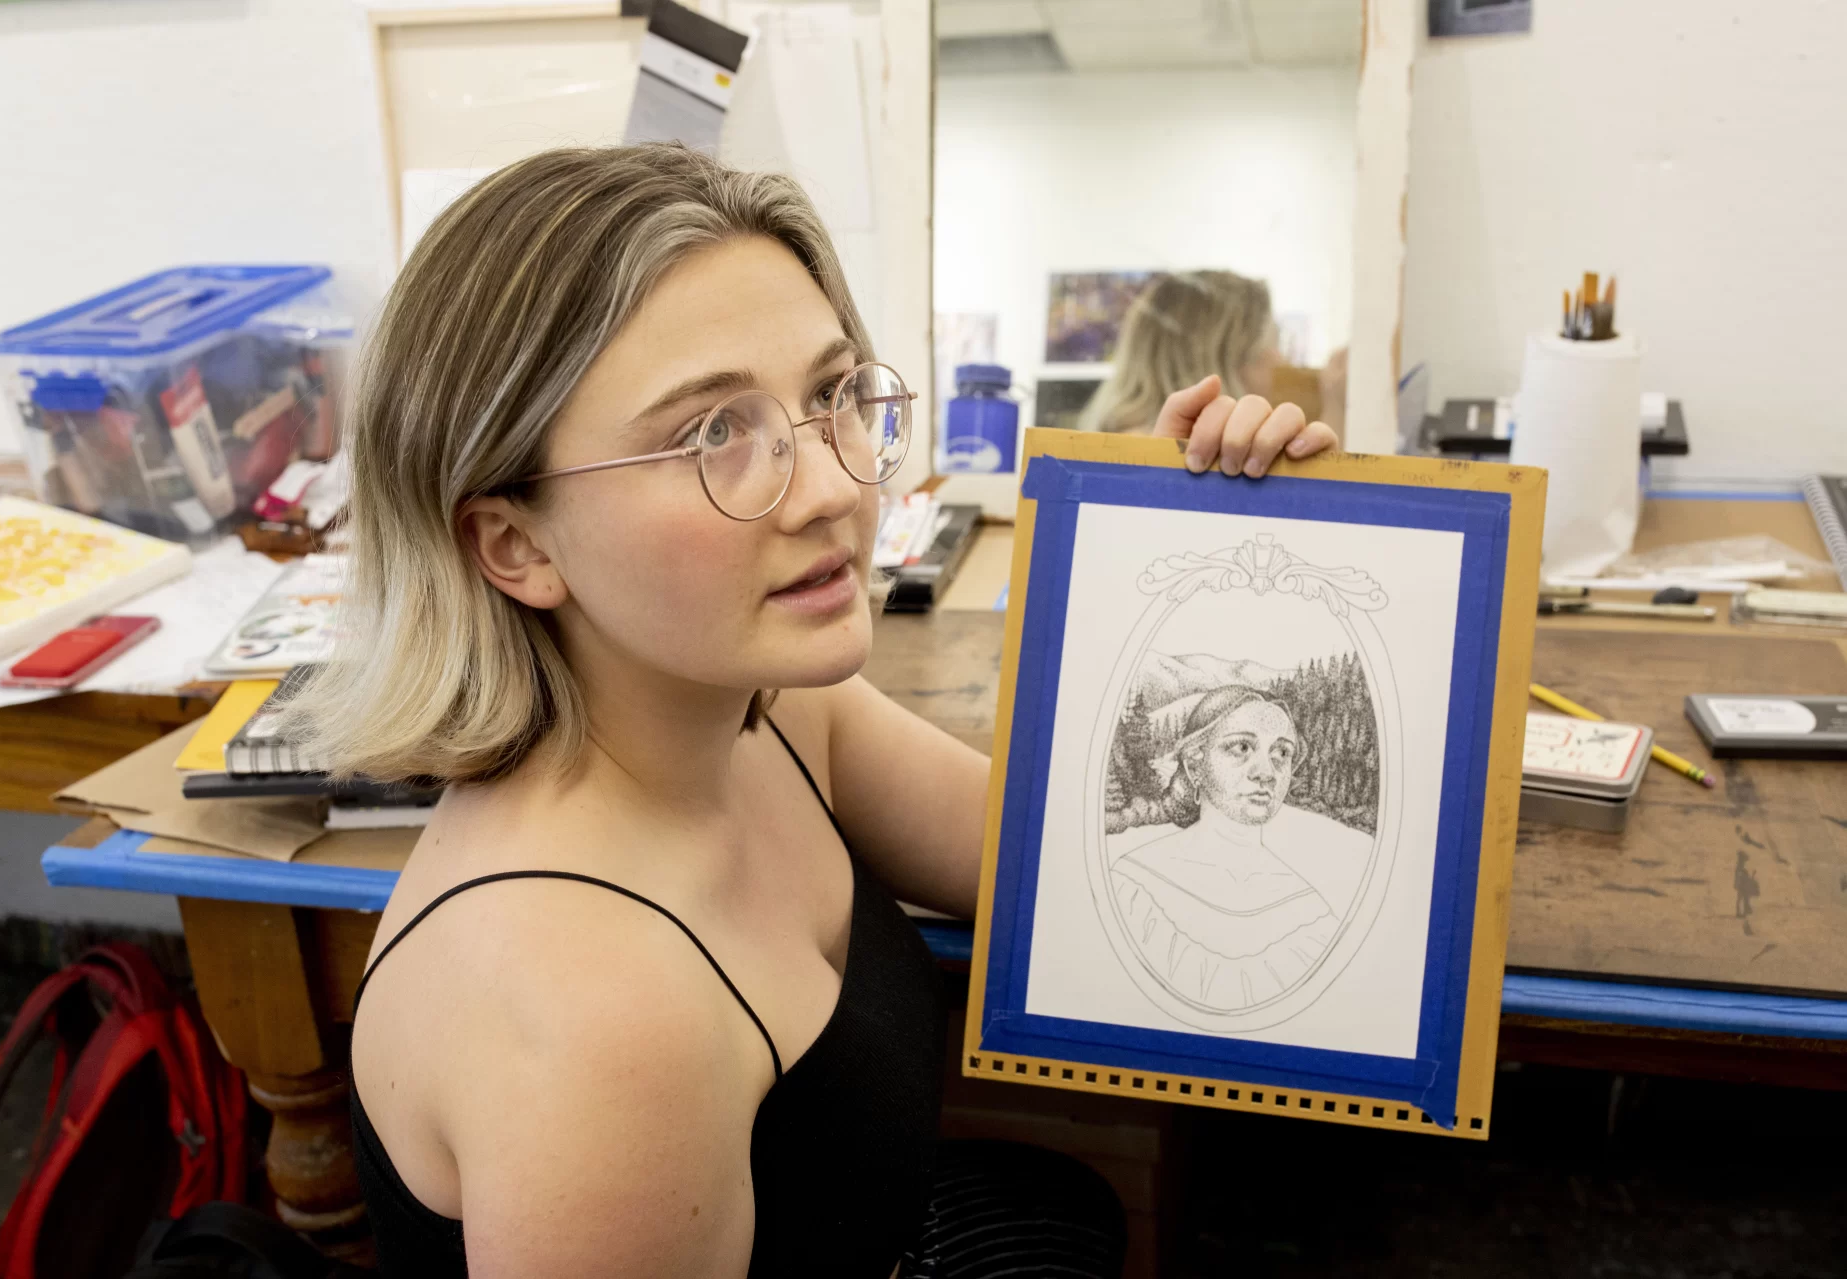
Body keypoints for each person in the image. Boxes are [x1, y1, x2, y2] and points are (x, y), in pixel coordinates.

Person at [290, 143, 1338, 1278]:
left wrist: (1195, 555)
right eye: (712, 433)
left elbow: (1065, 858)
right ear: (513, 541)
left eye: (832, 395)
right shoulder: (599, 1026)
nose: (840, 487)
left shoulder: (773, 713)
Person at [1111, 686, 1369, 1012]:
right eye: (1242, 747)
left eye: (1282, 754)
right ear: (1194, 766)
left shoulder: (1311, 912)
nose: (1266, 773)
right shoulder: (1133, 883)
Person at [1077, 270, 1349, 444]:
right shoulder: (1148, 453)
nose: (1280, 361)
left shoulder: (1115, 446)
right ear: (1227, 357)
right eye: (1271, 342)